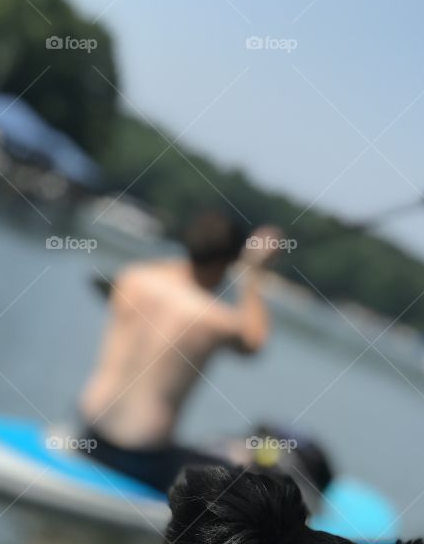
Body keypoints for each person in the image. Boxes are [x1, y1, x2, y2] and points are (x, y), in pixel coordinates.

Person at [78, 210, 282, 493]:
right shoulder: (214, 319)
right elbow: (255, 343)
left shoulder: (132, 278)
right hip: (140, 458)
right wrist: (253, 271)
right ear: (226, 263)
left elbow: (176, 275)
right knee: (247, 470)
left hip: (88, 435)